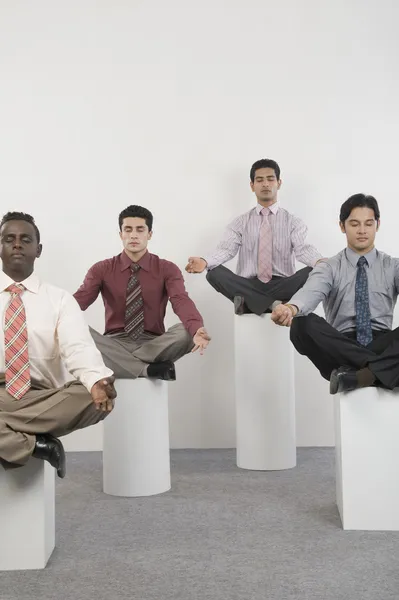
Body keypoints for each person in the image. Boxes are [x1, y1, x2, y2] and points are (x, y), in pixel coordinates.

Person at [0, 212, 116, 479]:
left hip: (43, 398)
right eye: (9, 239)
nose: (17, 244)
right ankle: (36, 444)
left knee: (94, 396)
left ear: (38, 250)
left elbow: (78, 347)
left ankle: (8, 434)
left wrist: (96, 381)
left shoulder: (59, 299)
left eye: (25, 239)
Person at [271, 194, 399, 394]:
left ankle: (360, 376)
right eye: (354, 224)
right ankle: (382, 370)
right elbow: (311, 291)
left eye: (368, 224)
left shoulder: (393, 266)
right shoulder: (330, 267)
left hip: (383, 342)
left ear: (378, 224)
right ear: (342, 226)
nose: (362, 231)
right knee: (301, 323)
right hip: (338, 345)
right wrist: (291, 307)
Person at [74, 205, 210, 381]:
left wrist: (196, 328)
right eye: (127, 230)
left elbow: (180, 299)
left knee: (187, 330)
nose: (133, 235)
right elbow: (77, 303)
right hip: (114, 342)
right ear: (120, 234)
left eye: (140, 229)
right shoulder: (102, 269)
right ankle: (148, 369)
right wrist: (54, 315)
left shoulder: (167, 269)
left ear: (149, 234)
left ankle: (122, 363)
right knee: (75, 330)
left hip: (154, 344)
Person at [185, 158, 323, 315]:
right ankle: (273, 304)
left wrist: (319, 261)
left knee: (314, 271)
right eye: (260, 180)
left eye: (270, 179)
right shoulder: (240, 222)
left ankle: (251, 303)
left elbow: (302, 249)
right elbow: (227, 249)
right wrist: (205, 261)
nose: (265, 184)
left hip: (283, 285)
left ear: (279, 183)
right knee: (213, 272)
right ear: (252, 185)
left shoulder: (293, 222)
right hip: (248, 284)